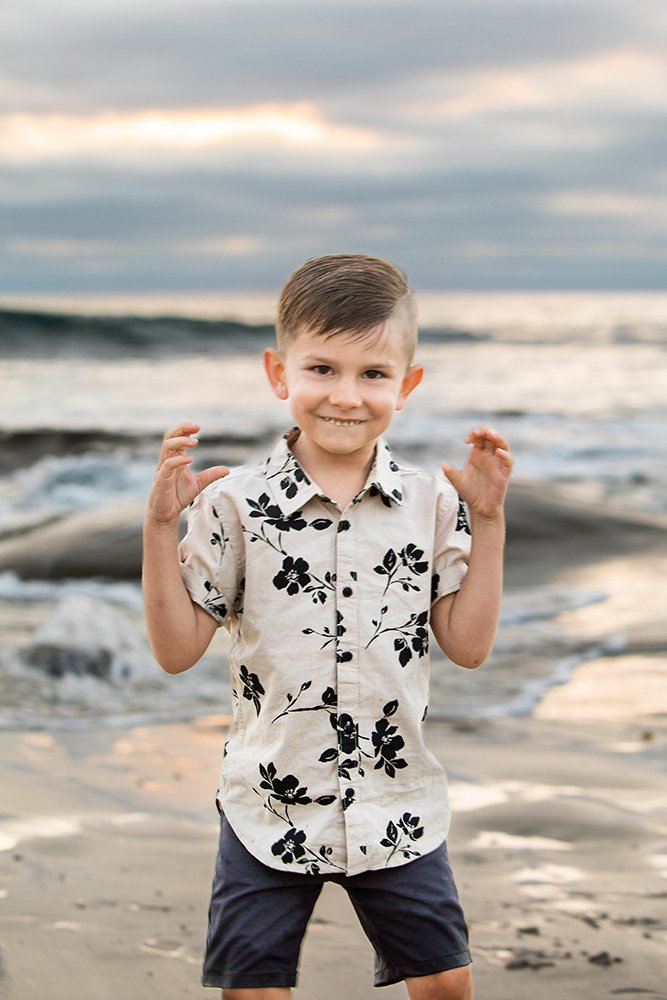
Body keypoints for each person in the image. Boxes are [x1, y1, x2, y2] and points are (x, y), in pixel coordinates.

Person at [143, 253, 512, 1000]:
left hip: (394, 795)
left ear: (406, 385)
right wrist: (157, 524)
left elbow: (468, 648)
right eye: (322, 370)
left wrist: (490, 518)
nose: (345, 396)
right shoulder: (235, 504)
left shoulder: (429, 501)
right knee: (252, 991)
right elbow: (178, 651)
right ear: (280, 373)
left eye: (373, 374)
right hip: (267, 799)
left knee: (444, 985)